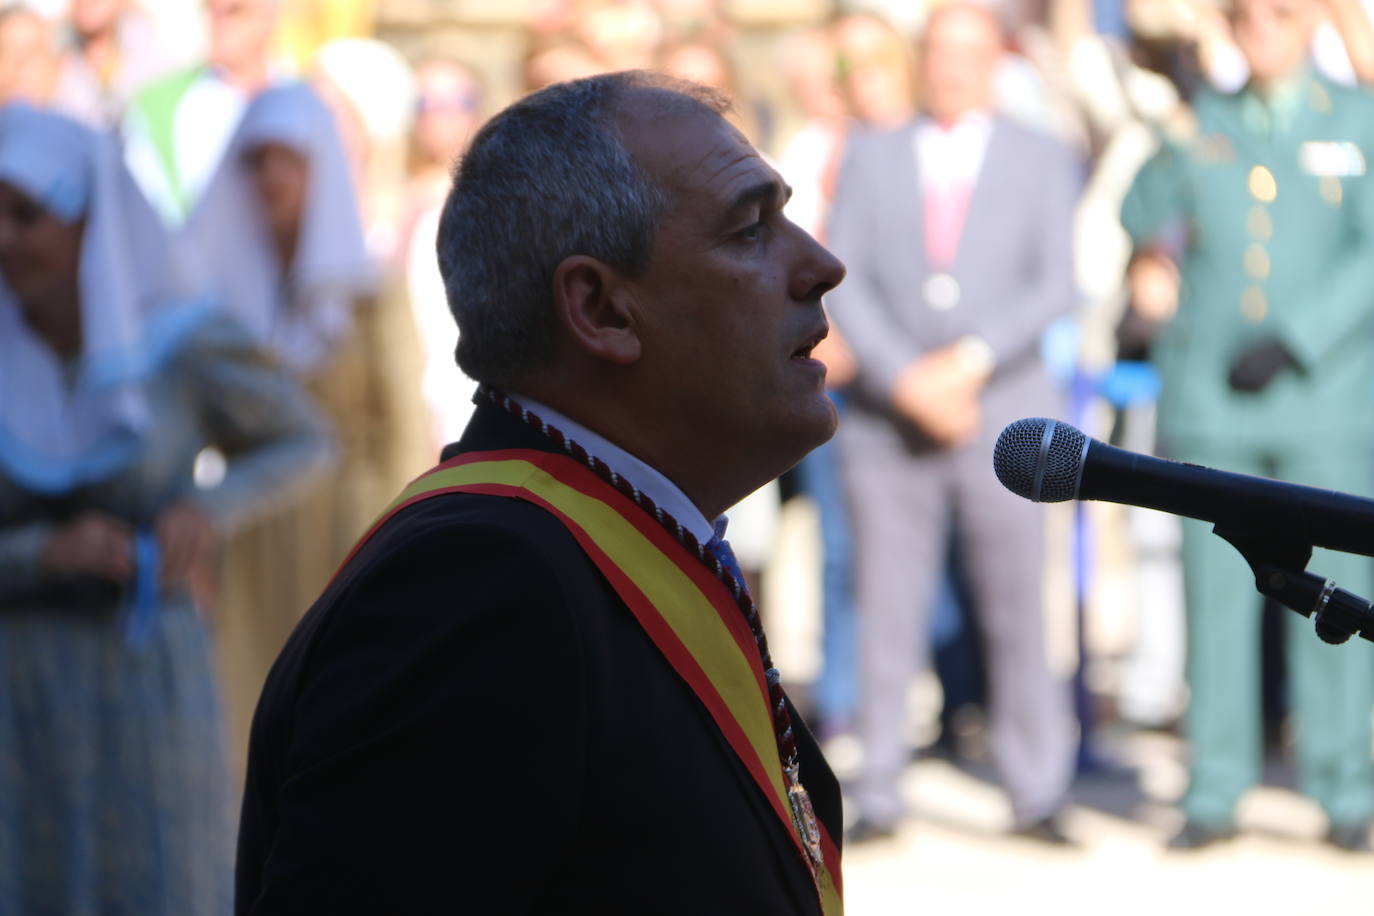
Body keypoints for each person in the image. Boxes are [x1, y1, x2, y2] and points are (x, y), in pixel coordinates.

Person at [237, 71, 847, 913]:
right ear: (601, 309)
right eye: (750, 229)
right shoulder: (477, 586)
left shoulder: (600, 537)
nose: (820, 265)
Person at [0, 103, 329, 914]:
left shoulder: (177, 341)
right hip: (20, 683)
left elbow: (304, 441)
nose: (4, 239)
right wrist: (41, 554)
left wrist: (206, 508)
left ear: (90, 221)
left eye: (26, 214)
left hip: (148, 668)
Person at [1121, 0, 1374, 852]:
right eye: (1243, 14)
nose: (1259, 26)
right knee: (1216, 598)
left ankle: (1344, 786)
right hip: (1213, 400)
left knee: (1334, 600)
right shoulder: (1209, 117)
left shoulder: (1359, 118)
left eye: (1278, 11)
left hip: (1324, 399)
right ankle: (1216, 786)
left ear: (1314, 23)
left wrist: (1300, 339)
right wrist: (1174, 116)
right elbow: (1137, 216)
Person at [826, 1, 1080, 843]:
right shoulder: (870, 151)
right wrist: (906, 379)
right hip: (887, 422)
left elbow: (1054, 283)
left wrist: (965, 365)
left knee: (1018, 611)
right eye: (940, 51)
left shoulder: (1043, 156)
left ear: (995, 59)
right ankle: (882, 790)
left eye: (971, 51)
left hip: (1002, 415)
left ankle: (1037, 788)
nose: (954, 67)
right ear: (922, 58)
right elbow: (844, 276)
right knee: (886, 610)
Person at [182, 80, 411, 771]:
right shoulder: (217, 303)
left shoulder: (369, 294)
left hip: (354, 534)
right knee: (252, 724)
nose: (272, 179)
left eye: (290, 160)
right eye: (257, 162)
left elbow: (399, 432)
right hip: (250, 538)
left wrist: (410, 558)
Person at [122, 0, 281, 224]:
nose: (220, 21)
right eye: (211, 9)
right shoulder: (159, 105)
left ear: (269, 16)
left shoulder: (305, 99)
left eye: (235, 10)